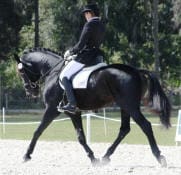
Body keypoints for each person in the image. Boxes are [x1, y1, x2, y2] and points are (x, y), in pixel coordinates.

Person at [58, 3, 106, 114]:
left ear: (89, 13)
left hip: (86, 56)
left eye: (86, 13)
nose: (85, 16)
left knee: (64, 76)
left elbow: (81, 44)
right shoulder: (102, 25)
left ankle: (72, 104)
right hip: (98, 56)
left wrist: (71, 51)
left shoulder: (89, 25)